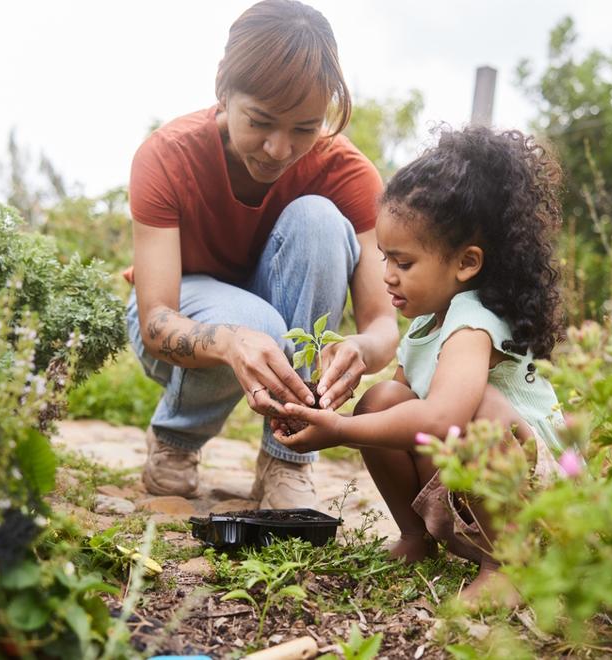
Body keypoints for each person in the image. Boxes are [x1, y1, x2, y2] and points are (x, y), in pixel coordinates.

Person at [273, 125, 567, 602]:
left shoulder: (474, 322)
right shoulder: (424, 328)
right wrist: (326, 404)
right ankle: (418, 537)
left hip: (541, 502)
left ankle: (510, 566)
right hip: (473, 497)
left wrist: (339, 430)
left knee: (480, 412)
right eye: (384, 257)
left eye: (404, 263)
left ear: (466, 263)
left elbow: (441, 419)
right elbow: (398, 416)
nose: (387, 275)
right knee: (383, 399)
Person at [125, 0, 400, 509]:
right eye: (261, 122)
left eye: (304, 128)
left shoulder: (349, 175)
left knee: (319, 218)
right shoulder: (167, 157)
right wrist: (231, 343)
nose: (279, 149)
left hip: (272, 324)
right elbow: (155, 321)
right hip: (182, 321)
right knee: (255, 322)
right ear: (223, 92)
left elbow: (384, 325)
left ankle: (286, 458)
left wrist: (361, 349)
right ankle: (177, 439)